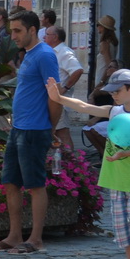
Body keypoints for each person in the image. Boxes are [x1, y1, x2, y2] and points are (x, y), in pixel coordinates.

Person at [51, 69, 130, 259]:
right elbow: (85, 107)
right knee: (123, 228)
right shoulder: (115, 111)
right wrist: (59, 98)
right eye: (111, 91)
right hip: (117, 180)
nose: (113, 95)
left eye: (117, 91)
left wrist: (125, 153)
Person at [0, 10, 58, 253]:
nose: (13, 36)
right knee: (11, 182)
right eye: (12, 30)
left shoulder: (44, 55)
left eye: (17, 31)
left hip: (35, 129)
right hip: (19, 128)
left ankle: (35, 239)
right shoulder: (29, 55)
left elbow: (56, 95)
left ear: (32, 30)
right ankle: (14, 235)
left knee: (35, 185)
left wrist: (50, 129)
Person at [42, 25, 83, 159]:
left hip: (59, 102)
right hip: (50, 100)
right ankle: (61, 161)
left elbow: (77, 70)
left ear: (55, 37)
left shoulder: (64, 52)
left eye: (47, 34)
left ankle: (72, 163)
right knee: (53, 133)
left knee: (62, 132)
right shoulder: (50, 51)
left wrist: (65, 88)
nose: (44, 37)